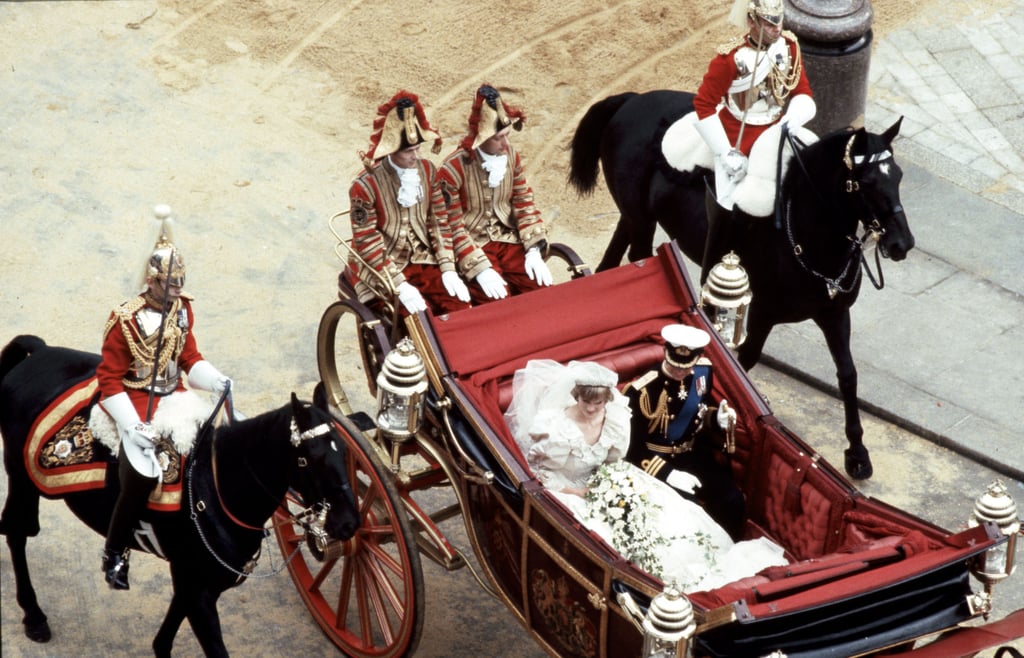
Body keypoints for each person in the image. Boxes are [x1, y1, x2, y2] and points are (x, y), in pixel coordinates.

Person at [505, 359, 785, 592]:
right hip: (568, 491)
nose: (591, 410)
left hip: (610, 481)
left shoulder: (613, 417)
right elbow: (543, 475)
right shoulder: (556, 428)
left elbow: (616, 459)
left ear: (606, 401)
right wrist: (581, 492)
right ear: (575, 397)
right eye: (585, 404)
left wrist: (612, 484)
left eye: (598, 404)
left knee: (665, 522)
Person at [95, 212, 231, 590]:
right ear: (151, 281)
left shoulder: (182, 309)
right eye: (170, 283)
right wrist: (129, 423)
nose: (177, 288)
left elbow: (189, 359)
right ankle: (115, 551)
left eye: (180, 282)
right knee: (141, 474)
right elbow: (108, 377)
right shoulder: (125, 319)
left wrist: (216, 378)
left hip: (176, 396)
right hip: (134, 399)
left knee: (219, 442)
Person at [348, 90, 500, 316]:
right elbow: (367, 242)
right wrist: (399, 284)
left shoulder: (428, 171)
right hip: (382, 267)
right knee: (417, 320)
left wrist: (448, 268)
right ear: (391, 150)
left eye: (418, 148)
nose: (416, 156)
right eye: (409, 151)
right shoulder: (365, 185)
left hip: (423, 260)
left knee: (460, 308)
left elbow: (440, 222)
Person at [623, 325, 746, 540]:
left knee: (732, 499)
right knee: (686, 513)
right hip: (656, 460)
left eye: (686, 367)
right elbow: (632, 450)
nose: (680, 372)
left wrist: (716, 419)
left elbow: (699, 410)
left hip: (693, 454)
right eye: (674, 365)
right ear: (665, 353)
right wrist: (668, 473)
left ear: (697, 358)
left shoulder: (703, 371)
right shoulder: (642, 391)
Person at [692, 0, 815, 206]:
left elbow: (801, 90)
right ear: (751, 21)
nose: (777, 29)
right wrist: (726, 153)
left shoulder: (790, 46)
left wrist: (794, 118)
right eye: (769, 23)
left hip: (777, 128)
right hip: (738, 134)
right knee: (730, 202)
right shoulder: (729, 59)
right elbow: (704, 104)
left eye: (779, 21)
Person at [438, 84, 552, 304]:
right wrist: (479, 267)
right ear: (481, 137)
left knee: (542, 290)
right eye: (499, 138)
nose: (505, 144)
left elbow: (523, 201)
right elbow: (450, 225)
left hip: (508, 240)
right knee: (497, 302)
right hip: (474, 245)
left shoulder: (511, 156)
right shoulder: (452, 170)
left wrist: (533, 248)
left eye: (507, 136)